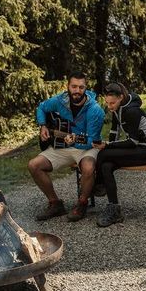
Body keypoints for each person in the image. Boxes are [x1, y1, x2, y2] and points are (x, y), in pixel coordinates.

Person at [28, 71, 105, 222]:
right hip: (64, 146)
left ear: (86, 88)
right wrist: (43, 125)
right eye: (74, 86)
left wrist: (75, 141)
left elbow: (93, 141)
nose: (77, 91)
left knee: (88, 168)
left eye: (81, 87)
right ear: (68, 86)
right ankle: (55, 203)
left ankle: (82, 203)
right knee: (33, 165)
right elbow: (42, 108)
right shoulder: (60, 101)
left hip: (86, 146)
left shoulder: (95, 110)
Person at [92, 82, 146, 227]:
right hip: (135, 148)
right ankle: (115, 210)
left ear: (121, 97)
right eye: (107, 103)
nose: (109, 106)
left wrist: (107, 146)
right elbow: (114, 132)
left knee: (102, 156)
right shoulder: (117, 108)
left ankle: (98, 184)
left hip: (145, 150)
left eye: (112, 103)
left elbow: (133, 141)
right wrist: (108, 146)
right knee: (106, 165)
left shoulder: (132, 111)